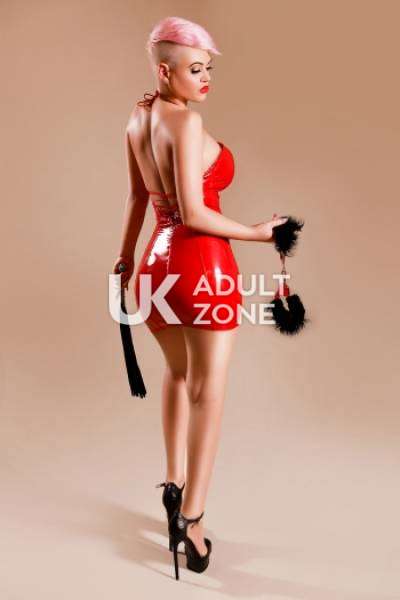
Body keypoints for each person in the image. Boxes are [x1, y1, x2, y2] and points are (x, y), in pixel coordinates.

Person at [113, 16, 288, 579]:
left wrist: (124, 258)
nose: (206, 78)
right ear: (164, 72)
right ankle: (192, 520)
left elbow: (138, 197)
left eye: (208, 68)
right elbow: (193, 213)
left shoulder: (138, 116)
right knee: (208, 392)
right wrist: (259, 233)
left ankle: (172, 485)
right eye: (194, 69)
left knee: (178, 375)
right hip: (199, 265)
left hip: (154, 267)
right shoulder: (186, 123)